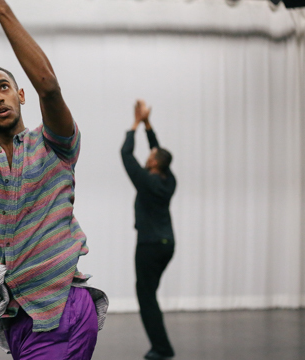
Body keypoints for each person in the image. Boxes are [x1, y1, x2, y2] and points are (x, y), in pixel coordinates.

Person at [0, 1, 107, 359]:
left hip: (66, 305)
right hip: (18, 318)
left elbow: (50, 88)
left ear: (20, 94)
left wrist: (2, 11)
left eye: (3, 87)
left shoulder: (54, 145)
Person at [121, 99, 176, 360]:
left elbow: (125, 154)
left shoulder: (146, 182)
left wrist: (134, 123)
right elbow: (159, 150)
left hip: (149, 246)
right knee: (149, 293)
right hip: (167, 244)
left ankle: (162, 348)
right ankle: (162, 345)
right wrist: (147, 124)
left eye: (150, 157)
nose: (148, 155)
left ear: (154, 164)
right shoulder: (169, 180)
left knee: (146, 297)